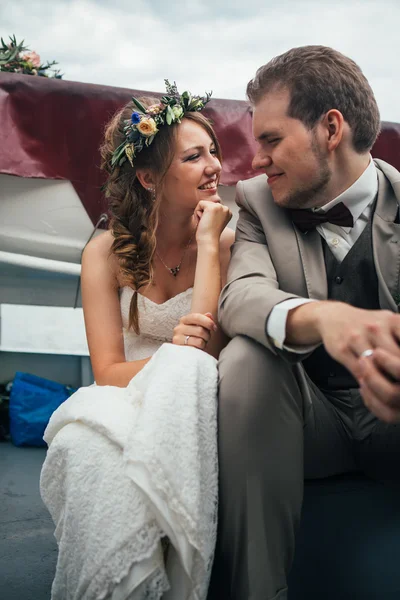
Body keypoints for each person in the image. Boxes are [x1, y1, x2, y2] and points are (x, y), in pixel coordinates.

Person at [209, 46, 400, 600]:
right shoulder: (256, 204)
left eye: (271, 140)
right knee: (245, 358)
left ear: (330, 128)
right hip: (309, 420)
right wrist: (325, 316)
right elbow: (242, 296)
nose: (257, 160)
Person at [40, 80, 234, 600]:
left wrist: (209, 247)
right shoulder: (103, 253)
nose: (215, 165)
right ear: (149, 178)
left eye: (213, 151)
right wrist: (174, 356)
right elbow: (107, 369)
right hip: (127, 388)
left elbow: (206, 352)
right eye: (194, 157)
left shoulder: (230, 239)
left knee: (188, 372)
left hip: (200, 388)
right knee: (82, 446)